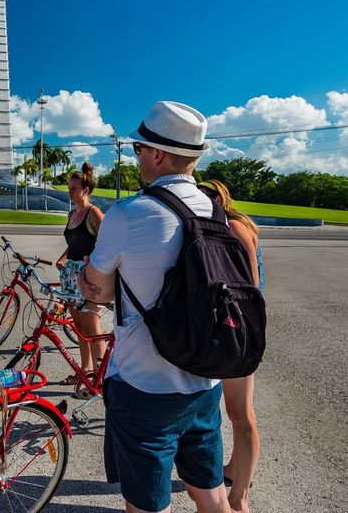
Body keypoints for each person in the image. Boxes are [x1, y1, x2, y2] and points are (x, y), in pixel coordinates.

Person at [78, 100, 232, 513]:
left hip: (144, 384)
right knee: (211, 492)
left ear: (158, 154)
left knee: (147, 504)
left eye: (138, 150)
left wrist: (87, 281)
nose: (138, 157)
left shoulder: (129, 213)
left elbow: (99, 290)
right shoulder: (215, 211)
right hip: (204, 381)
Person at [197, 179, 262, 513]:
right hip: (229, 325)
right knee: (232, 412)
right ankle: (235, 469)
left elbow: (250, 284)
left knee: (240, 413)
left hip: (238, 327)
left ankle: (240, 497)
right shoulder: (221, 224)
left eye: (204, 197)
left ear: (217, 200)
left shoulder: (233, 226)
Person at [54, 162, 105, 383]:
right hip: (70, 276)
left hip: (87, 276)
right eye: (69, 187)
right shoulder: (71, 214)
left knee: (92, 327)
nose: (69, 191)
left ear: (86, 190)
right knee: (79, 327)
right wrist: (64, 258)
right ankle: (85, 370)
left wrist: (93, 266)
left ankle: (102, 377)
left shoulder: (92, 213)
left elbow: (107, 243)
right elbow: (75, 242)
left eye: (74, 188)